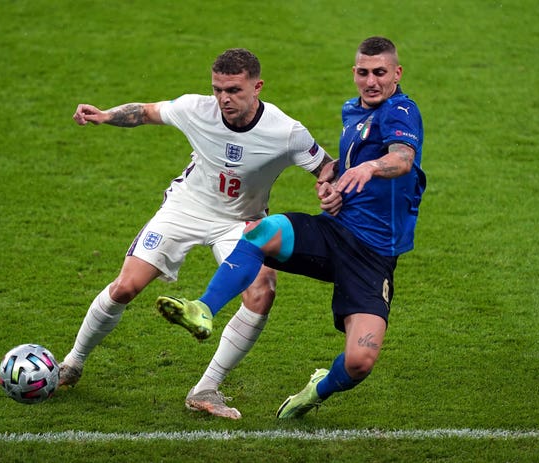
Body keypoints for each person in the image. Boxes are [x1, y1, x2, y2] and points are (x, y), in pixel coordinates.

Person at [156, 36, 426, 418]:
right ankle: (202, 308)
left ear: (396, 73)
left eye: (380, 72)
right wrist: (333, 189)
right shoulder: (353, 110)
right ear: (354, 73)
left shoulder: (401, 111)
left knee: (359, 363)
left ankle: (318, 388)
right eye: (363, 73)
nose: (371, 81)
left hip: (373, 256)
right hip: (335, 233)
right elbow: (347, 173)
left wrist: (370, 167)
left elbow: (401, 159)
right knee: (261, 233)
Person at [60, 48, 337, 420]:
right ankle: (72, 364)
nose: (224, 98)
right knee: (126, 286)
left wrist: (329, 187)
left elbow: (324, 167)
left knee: (262, 292)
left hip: (241, 222)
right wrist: (105, 115)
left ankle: (206, 387)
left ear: (257, 87)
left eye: (234, 90)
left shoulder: (285, 132)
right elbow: (145, 112)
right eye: (218, 89)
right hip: (185, 209)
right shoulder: (196, 109)